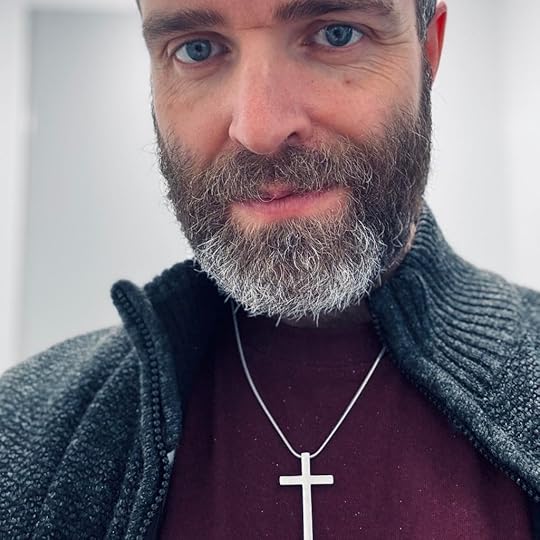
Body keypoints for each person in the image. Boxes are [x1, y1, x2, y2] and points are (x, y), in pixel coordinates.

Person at [1, 0, 539, 538]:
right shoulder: (21, 432)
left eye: (336, 34)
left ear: (428, 50)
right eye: (197, 49)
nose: (259, 128)